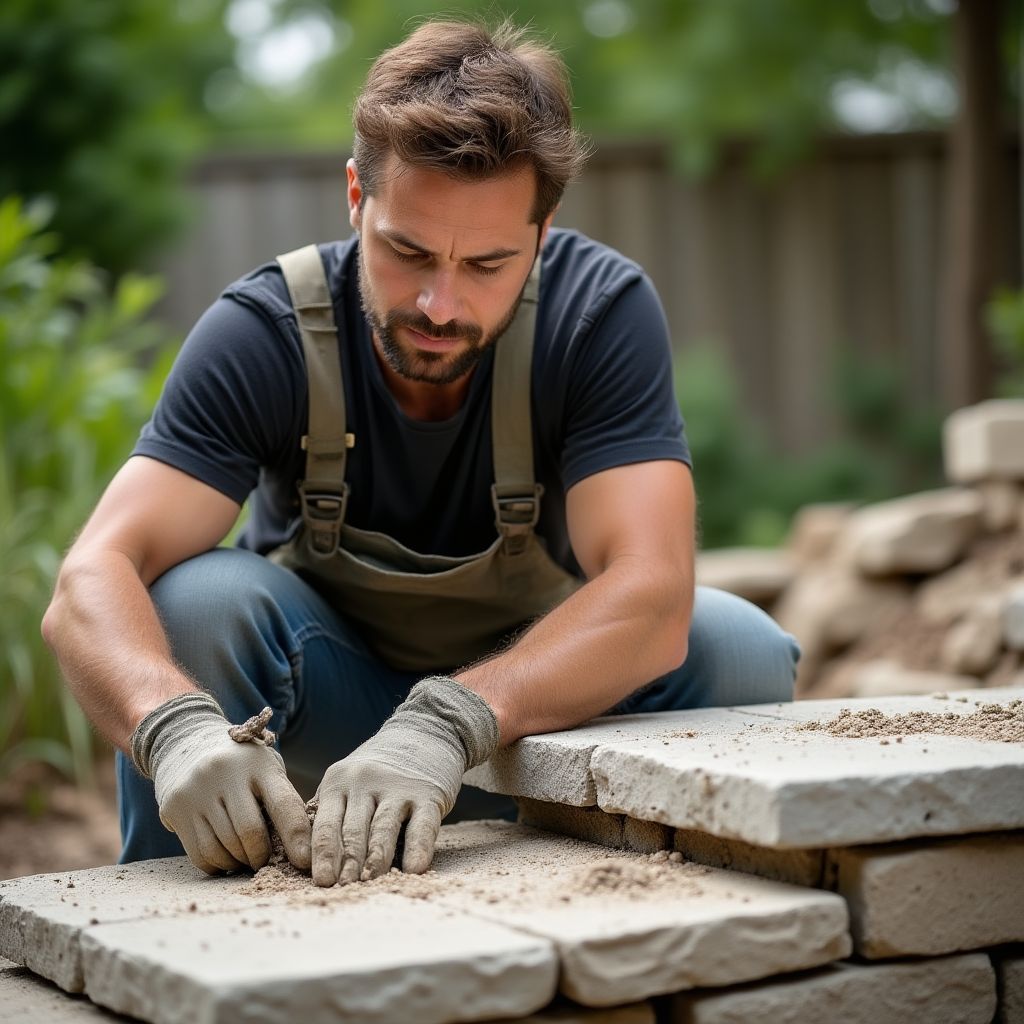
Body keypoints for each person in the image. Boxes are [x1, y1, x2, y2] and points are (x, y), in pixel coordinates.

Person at [42, 19, 799, 888]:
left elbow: (653, 591)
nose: (441, 304)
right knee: (195, 601)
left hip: (523, 741)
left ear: (542, 232)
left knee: (738, 648)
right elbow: (91, 578)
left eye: (487, 264)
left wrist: (450, 722)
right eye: (408, 252)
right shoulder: (267, 331)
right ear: (357, 195)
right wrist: (168, 724)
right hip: (319, 748)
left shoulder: (598, 313)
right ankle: (180, 928)